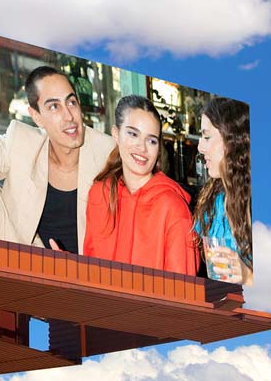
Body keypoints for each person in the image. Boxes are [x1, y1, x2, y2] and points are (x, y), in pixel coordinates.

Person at [0, 66, 115, 253]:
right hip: (28, 260)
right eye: (54, 106)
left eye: (71, 102)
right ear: (37, 117)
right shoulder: (23, 143)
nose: (69, 116)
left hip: (88, 274)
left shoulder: (108, 153)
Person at [84, 95, 199, 276]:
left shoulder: (174, 208)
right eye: (133, 134)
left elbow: (185, 295)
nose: (142, 148)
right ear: (116, 134)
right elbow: (90, 270)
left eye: (151, 140)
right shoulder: (99, 194)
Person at [194, 97, 253, 284]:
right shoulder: (212, 202)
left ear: (232, 140)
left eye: (207, 136)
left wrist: (248, 276)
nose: (200, 147)